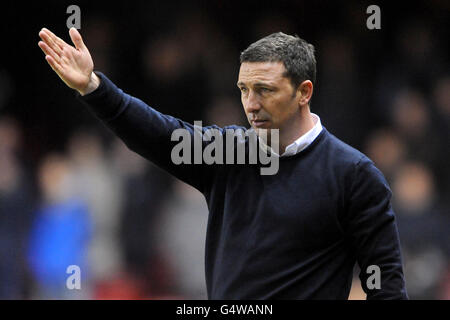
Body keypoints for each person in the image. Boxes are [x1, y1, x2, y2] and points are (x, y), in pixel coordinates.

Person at [38, 27, 408, 299]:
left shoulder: (353, 174)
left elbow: (386, 283)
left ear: (303, 92)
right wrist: (93, 88)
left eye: (264, 89)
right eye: (244, 89)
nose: (251, 103)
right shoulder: (227, 153)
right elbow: (158, 134)